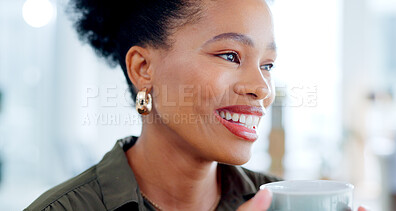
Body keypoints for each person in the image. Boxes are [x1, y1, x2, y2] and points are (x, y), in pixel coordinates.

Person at [25, 0, 368, 210]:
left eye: (267, 65)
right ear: (143, 68)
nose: (261, 89)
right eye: (231, 56)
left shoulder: (277, 203)